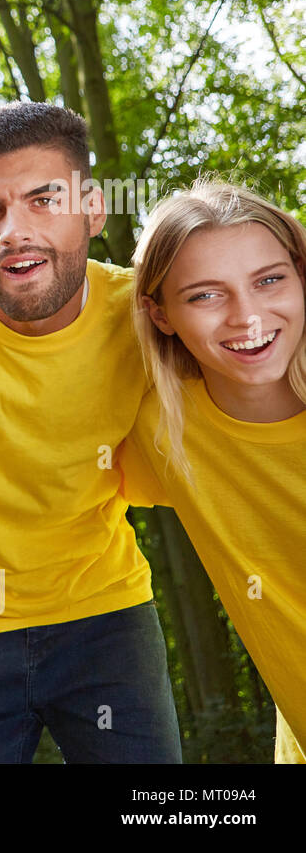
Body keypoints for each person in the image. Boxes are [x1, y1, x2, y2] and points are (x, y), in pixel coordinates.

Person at [0, 101, 181, 763]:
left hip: (104, 620)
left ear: (94, 210)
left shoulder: (146, 314)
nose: (12, 231)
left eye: (43, 199)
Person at [120, 178, 306, 764]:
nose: (247, 316)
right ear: (161, 313)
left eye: (269, 280)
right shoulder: (160, 431)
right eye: (205, 296)